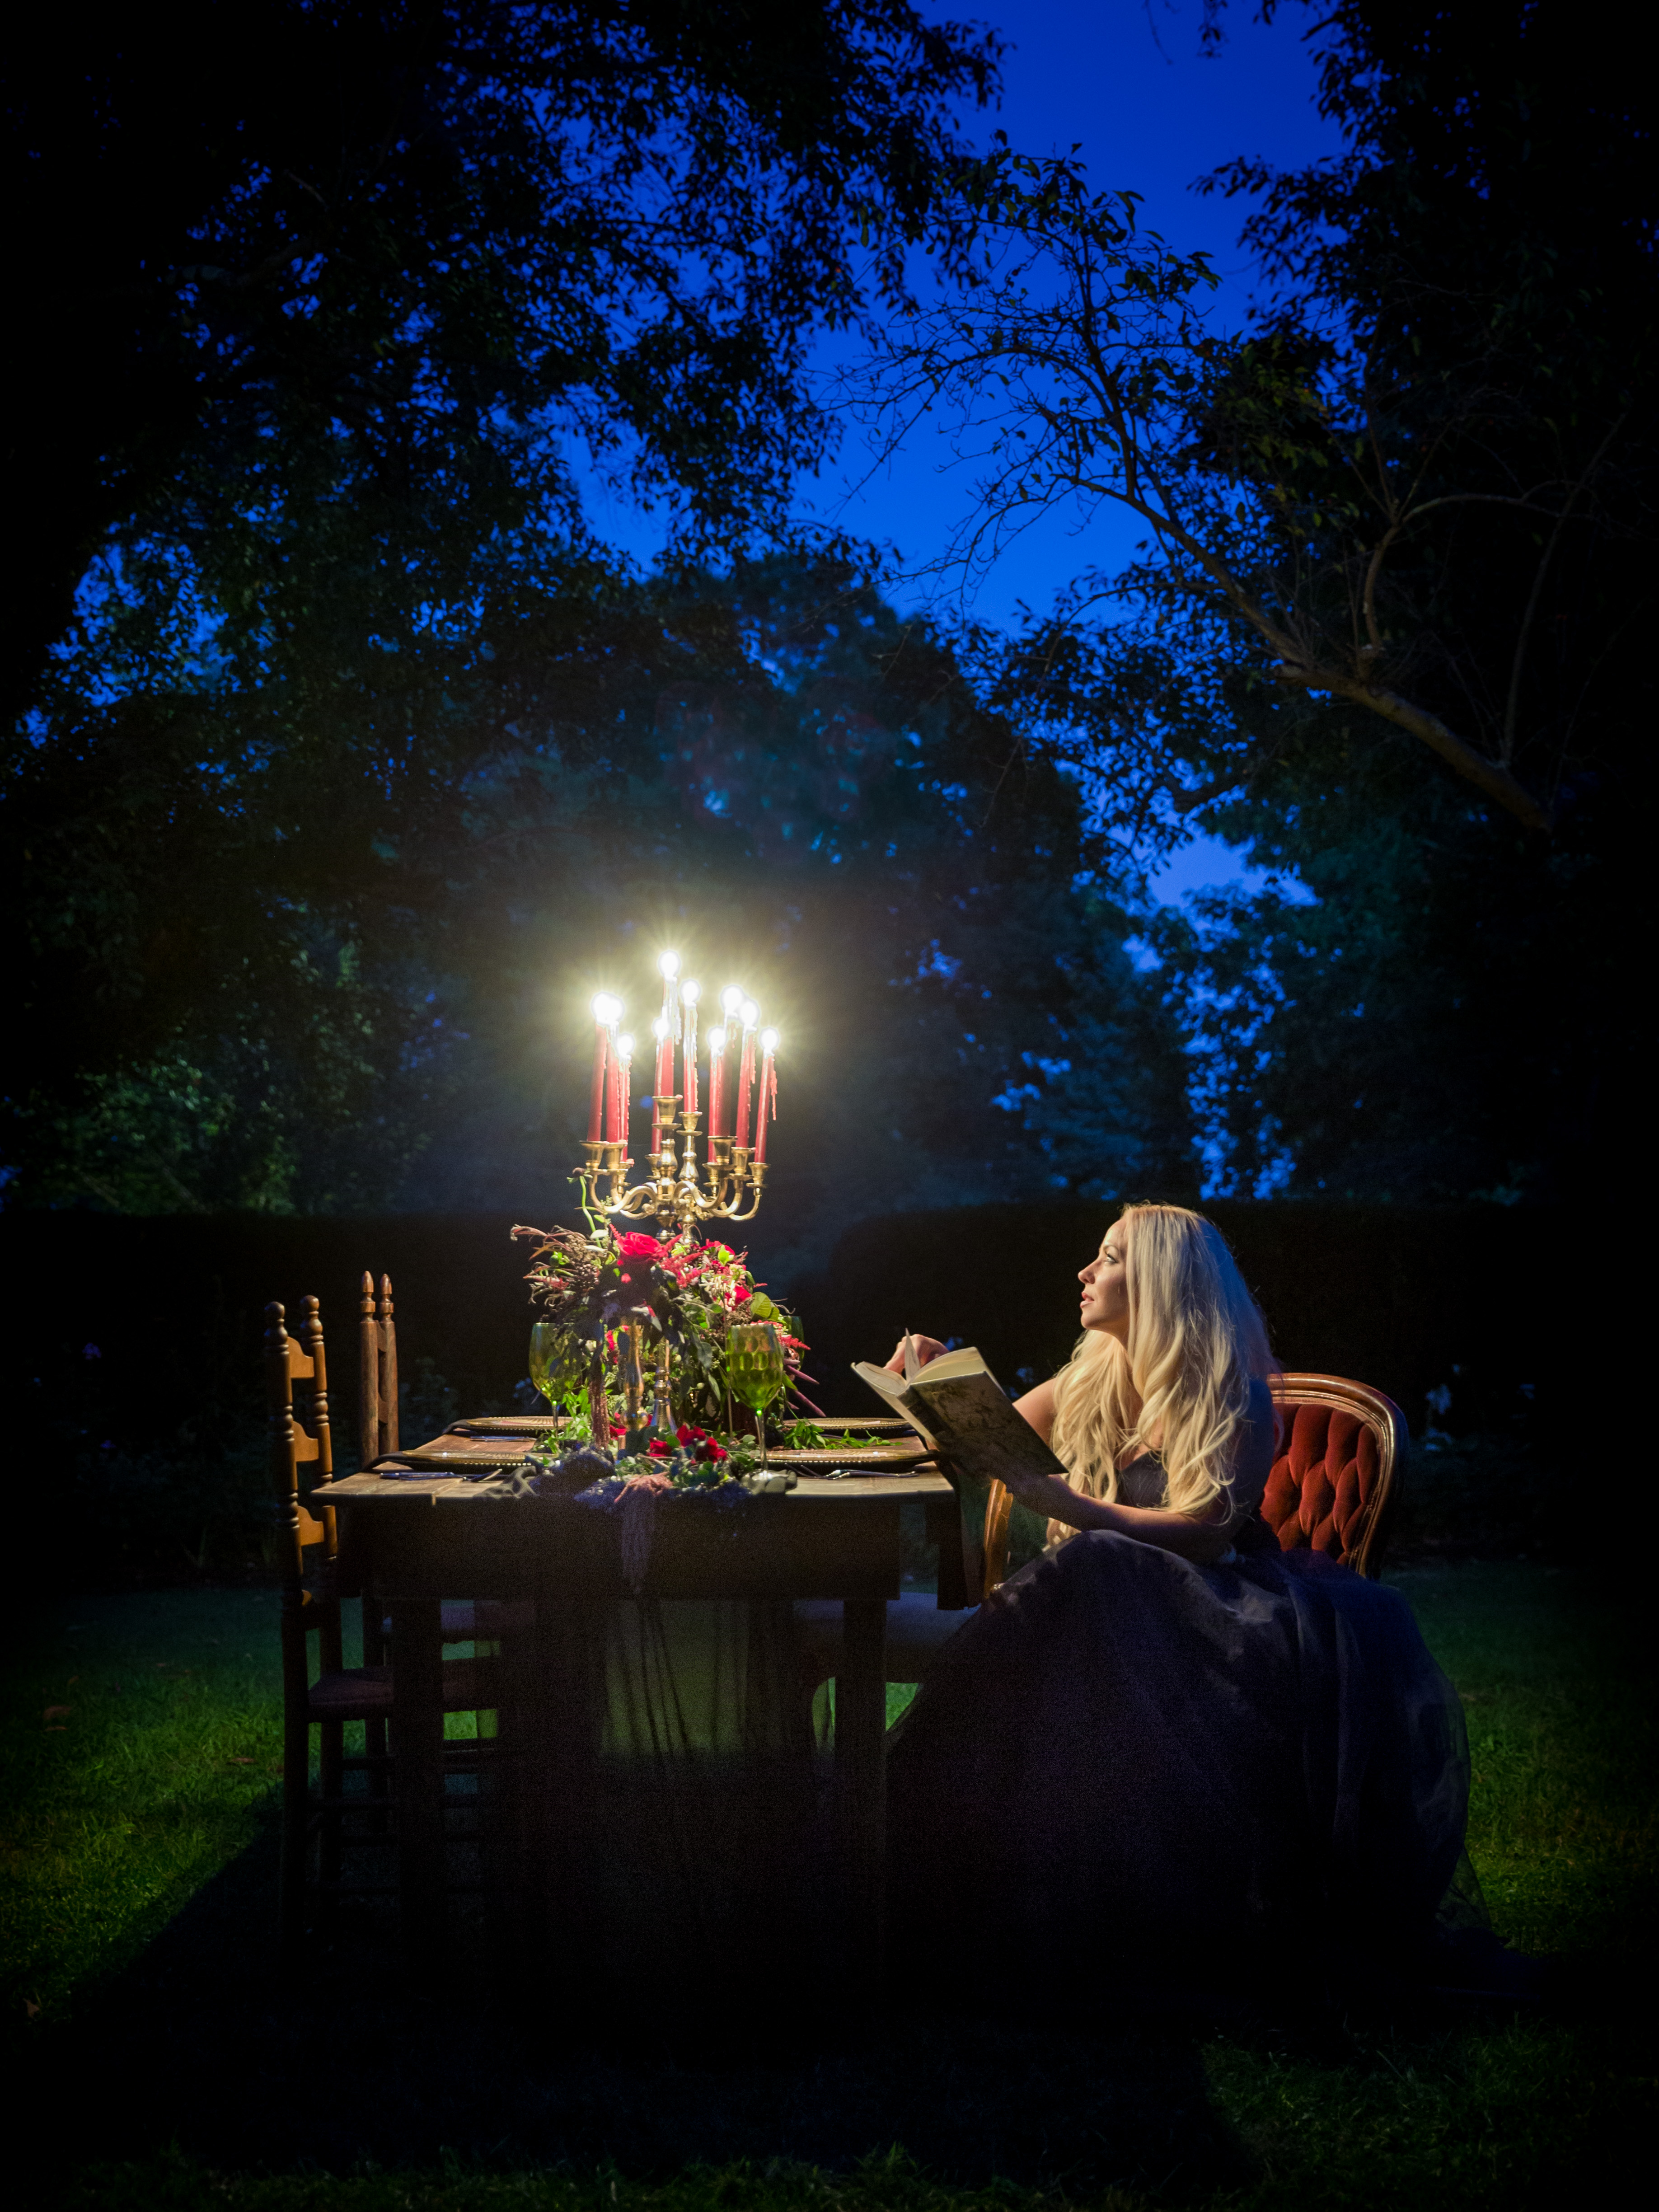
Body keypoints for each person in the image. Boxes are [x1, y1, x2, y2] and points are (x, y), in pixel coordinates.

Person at [884, 1202, 1495, 2005]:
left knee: (1095, 1561)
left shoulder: (1235, 1391)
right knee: (1089, 1574)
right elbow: (977, 1444)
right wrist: (919, 1385)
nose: (1085, 1272)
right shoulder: (1089, 1376)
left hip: (1223, 1611)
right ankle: (912, 1866)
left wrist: (1071, 1507)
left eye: (1107, 1258)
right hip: (1105, 1606)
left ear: (1164, 1280)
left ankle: (1001, 1878)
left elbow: (1206, 1533)